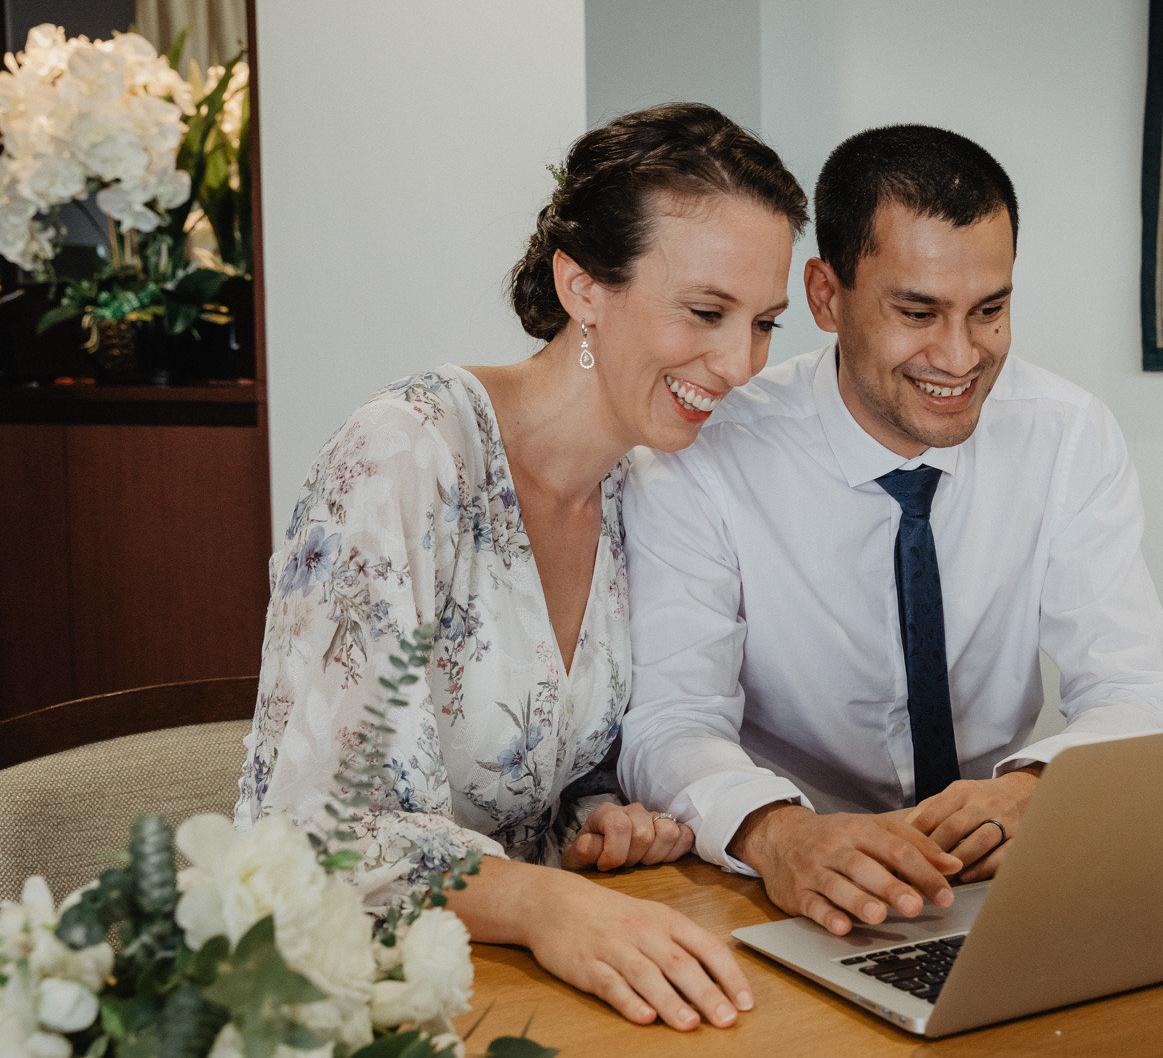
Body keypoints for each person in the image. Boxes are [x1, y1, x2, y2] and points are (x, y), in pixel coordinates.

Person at [237, 103, 808, 1031]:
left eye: (766, 323)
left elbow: (543, 755)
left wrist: (596, 819)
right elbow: (319, 833)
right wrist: (546, 903)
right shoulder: (406, 456)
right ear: (582, 287)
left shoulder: (646, 490)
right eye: (707, 312)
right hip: (335, 1001)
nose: (740, 363)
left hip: (517, 992)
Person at [620, 124, 1163, 938]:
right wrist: (778, 834)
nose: (959, 356)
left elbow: (1138, 689)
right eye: (917, 311)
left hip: (994, 881)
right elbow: (671, 723)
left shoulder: (1066, 434)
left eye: (989, 310)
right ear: (826, 296)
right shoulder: (705, 453)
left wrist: (1034, 788)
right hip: (786, 890)